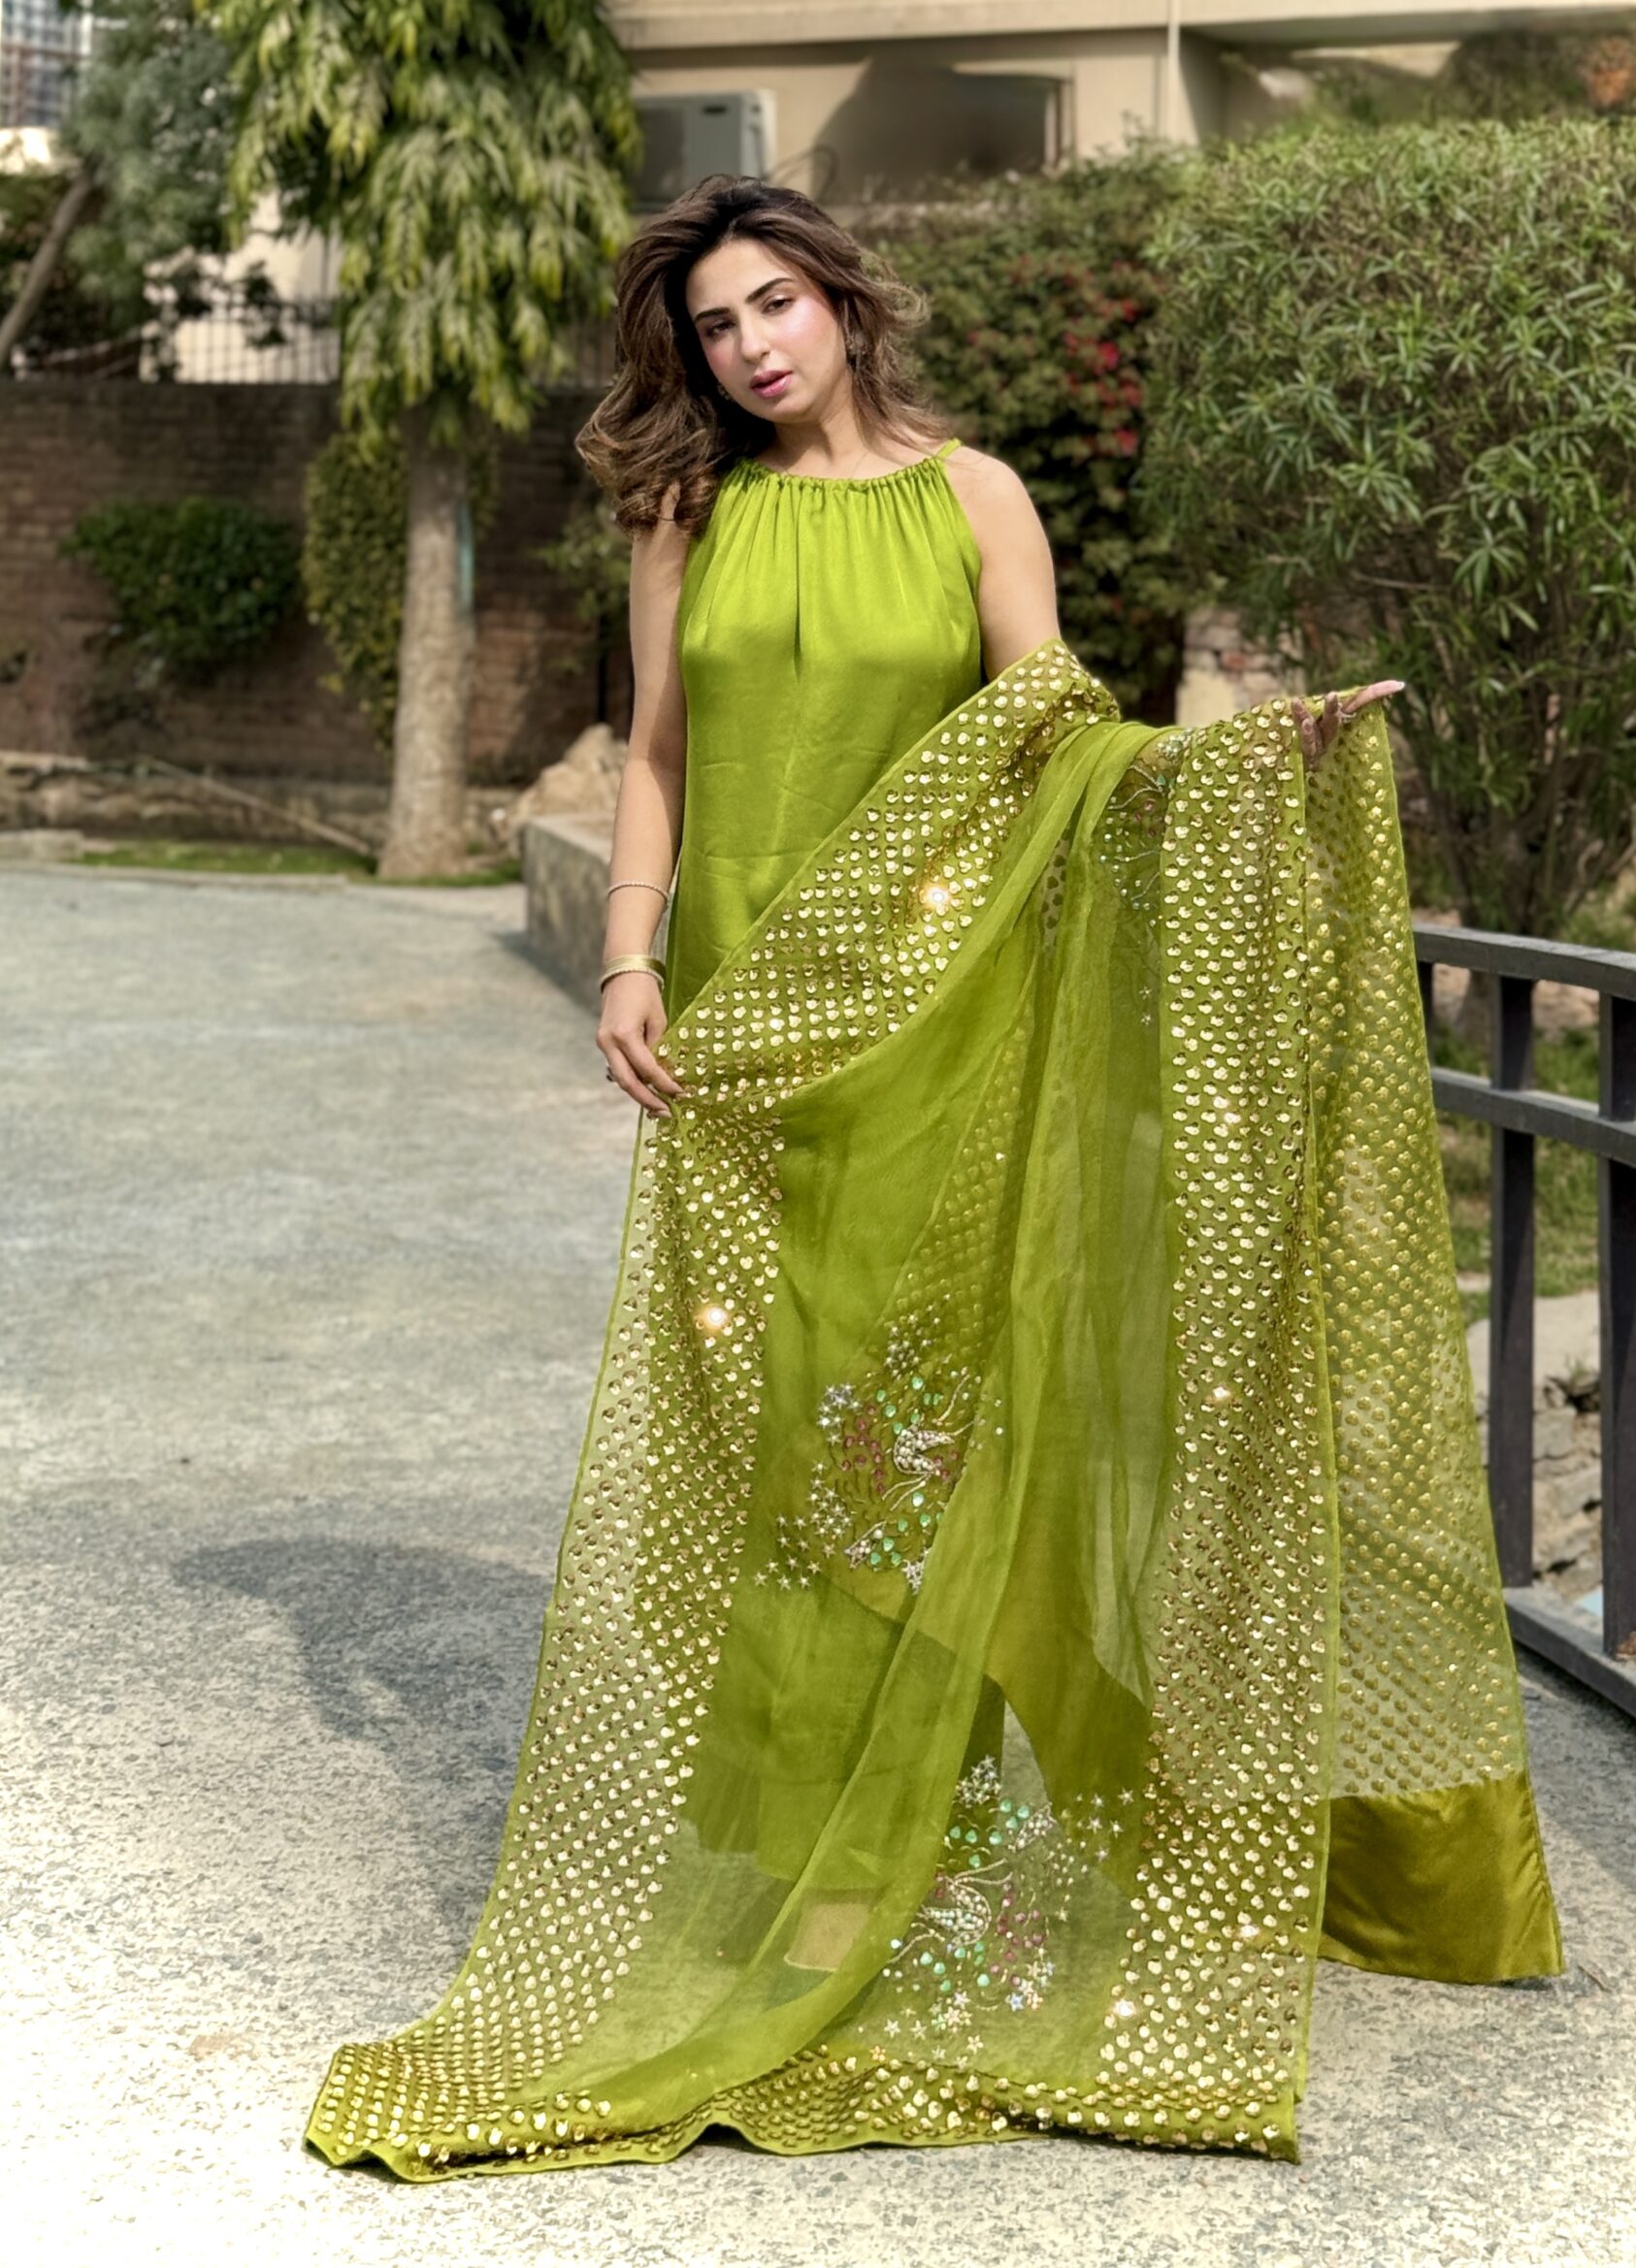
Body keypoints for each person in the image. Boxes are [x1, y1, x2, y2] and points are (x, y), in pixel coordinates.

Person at [306, 174, 1565, 2183]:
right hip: (749, 1041)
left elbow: (1056, 753)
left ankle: (888, 1883)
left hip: (937, 1042)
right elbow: (657, 756)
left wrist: (1250, 763)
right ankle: (809, 1858)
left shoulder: (977, 495)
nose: (750, 347)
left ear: (842, 300)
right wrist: (628, 956)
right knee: (778, 1448)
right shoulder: (683, 512)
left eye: (774, 303)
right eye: (715, 325)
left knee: (928, 1451)